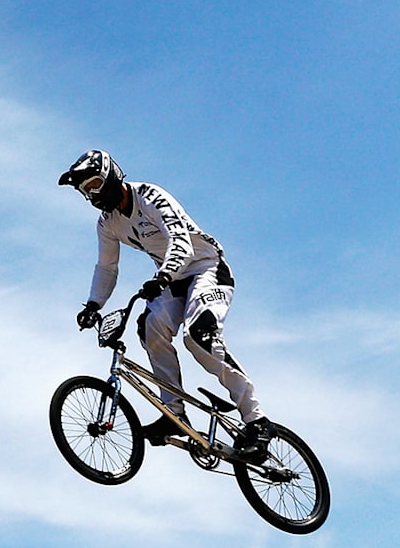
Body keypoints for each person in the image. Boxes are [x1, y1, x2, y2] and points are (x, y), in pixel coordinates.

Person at [59, 149, 276, 462]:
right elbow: (107, 267)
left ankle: (257, 421)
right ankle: (174, 415)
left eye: (94, 185)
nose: (91, 195)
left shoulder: (149, 196)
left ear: (110, 175)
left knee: (199, 337)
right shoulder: (107, 223)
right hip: (171, 280)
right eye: (84, 191)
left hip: (205, 268)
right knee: (150, 330)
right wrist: (93, 304)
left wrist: (162, 276)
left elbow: (181, 241)